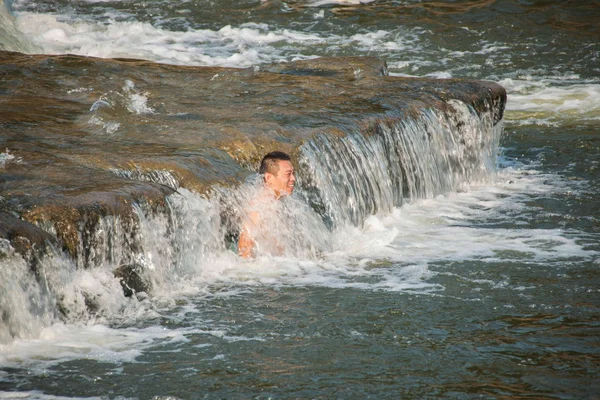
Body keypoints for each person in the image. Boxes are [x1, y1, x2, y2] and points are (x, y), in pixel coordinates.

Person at [238, 151, 296, 258]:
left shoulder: (276, 202)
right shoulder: (258, 209)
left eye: (293, 173)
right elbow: (244, 250)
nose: (293, 179)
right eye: (288, 174)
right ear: (269, 178)